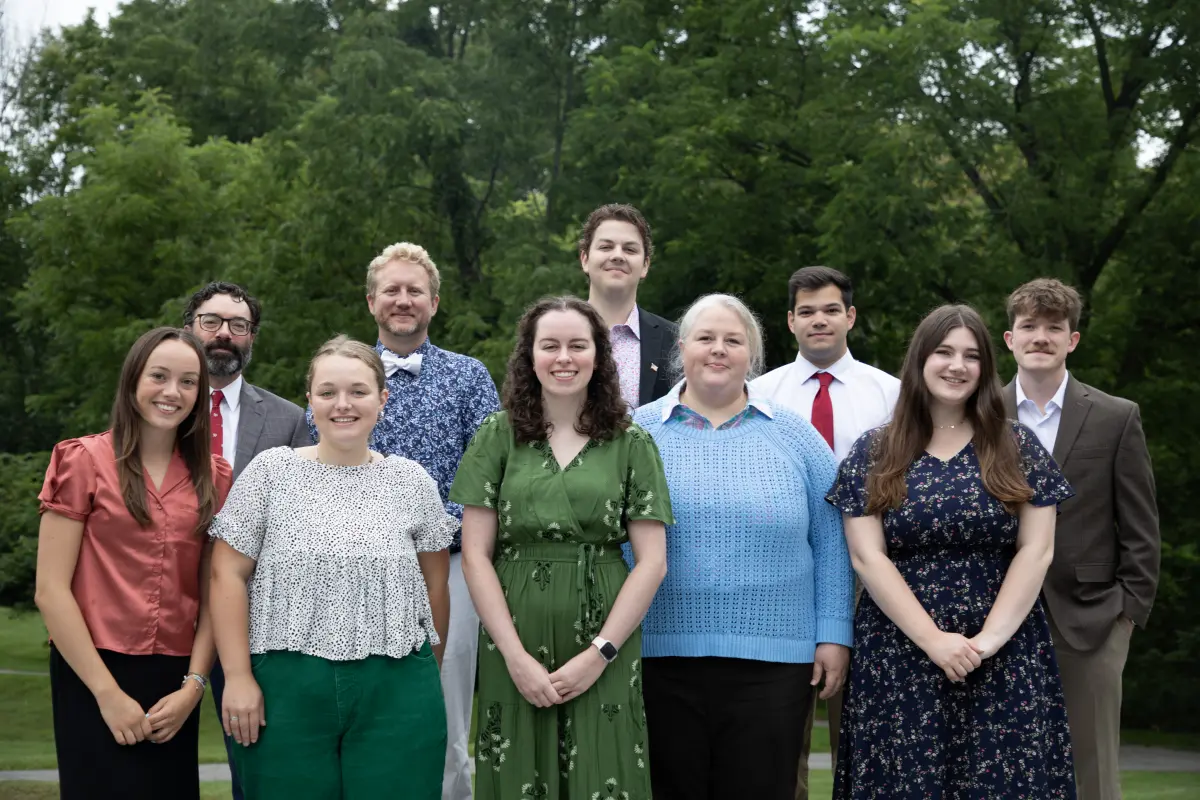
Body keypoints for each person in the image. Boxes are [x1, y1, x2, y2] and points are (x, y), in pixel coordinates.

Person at [828, 304, 1076, 799]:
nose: (956, 366)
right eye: (943, 352)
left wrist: (984, 643)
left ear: (986, 367)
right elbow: (867, 557)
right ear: (920, 360)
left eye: (970, 355)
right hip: (899, 651)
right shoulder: (875, 451)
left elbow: (1036, 550)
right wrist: (934, 641)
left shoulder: (1017, 446)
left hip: (1005, 653)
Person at [210, 335, 454, 799]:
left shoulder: (411, 481)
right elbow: (227, 574)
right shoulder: (270, 472)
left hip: (398, 686)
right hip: (286, 684)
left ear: (383, 399)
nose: (343, 404)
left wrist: (426, 677)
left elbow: (435, 587)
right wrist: (238, 676)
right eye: (328, 392)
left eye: (358, 391)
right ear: (310, 401)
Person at [632, 293, 853, 800]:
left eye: (733, 340)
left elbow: (833, 539)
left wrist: (834, 633)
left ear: (752, 355)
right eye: (706, 338)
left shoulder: (795, 437)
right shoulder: (636, 434)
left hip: (775, 664)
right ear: (681, 348)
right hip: (657, 656)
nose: (718, 350)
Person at [450, 295, 672, 800]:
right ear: (530, 356)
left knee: (605, 773)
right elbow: (476, 555)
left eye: (578, 345)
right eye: (550, 345)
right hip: (515, 636)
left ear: (599, 355)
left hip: (605, 636)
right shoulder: (496, 434)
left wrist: (600, 653)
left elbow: (653, 561)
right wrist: (514, 656)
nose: (564, 357)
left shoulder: (631, 441)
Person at [305, 242, 499, 800]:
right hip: (354, 568)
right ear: (372, 302)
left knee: (444, 712)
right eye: (391, 289)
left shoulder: (468, 377)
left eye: (415, 290)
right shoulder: (342, 378)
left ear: (434, 302)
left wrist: (432, 531)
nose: (403, 299)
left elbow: (490, 476)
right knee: (360, 702)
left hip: (454, 567)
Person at [34, 327, 233, 800]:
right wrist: (107, 694)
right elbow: (50, 590)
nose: (172, 392)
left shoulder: (216, 477)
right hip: (91, 669)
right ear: (132, 381)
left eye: (188, 382)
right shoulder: (81, 460)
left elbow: (215, 593)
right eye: (158, 376)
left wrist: (194, 688)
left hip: (175, 681)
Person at [1002, 279, 1159, 800]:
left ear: (1072, 340)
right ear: (1009, 339)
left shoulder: (1116, 416)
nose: (1040, 337)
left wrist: (1127, 615)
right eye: (1029, 326)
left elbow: (1140, 527)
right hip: (993, 617)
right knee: (1002, 766)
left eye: (1054, 327)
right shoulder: (980, 416)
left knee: (1091, 774)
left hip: (1092, 620)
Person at [751, 266, 899, 797]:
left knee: (863, 733)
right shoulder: (758, 396)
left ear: (850, 316)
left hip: (875, 577)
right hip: (784, 576)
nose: (820, 320)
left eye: (831, 309)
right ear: (790, 322)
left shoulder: (892, 396)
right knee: (779, 734)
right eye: (807, 311)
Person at [183, 281, 310, 799]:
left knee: (257, 765)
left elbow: (301, 519)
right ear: (188, 328)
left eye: (238, 326)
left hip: (253, 613)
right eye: (211, 322)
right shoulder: (161, 406)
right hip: (167, 603)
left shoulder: (288, 420)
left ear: (251, 337)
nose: (224, 335)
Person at [580, 203, 676, 408]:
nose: (617, 255)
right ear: (585, 259)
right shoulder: (552, 333)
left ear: (645, 266)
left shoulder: (675, 341)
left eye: (630, 249)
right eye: (606, 247)